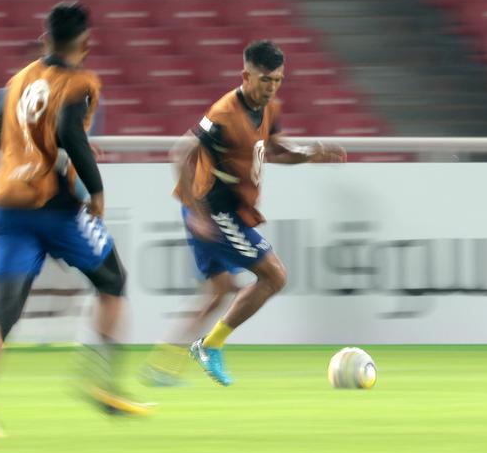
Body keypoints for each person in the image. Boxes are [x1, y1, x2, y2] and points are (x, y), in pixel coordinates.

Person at [0, 1, 152, 439]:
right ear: (86, 43)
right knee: (113, 279)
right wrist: (96, 188)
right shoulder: (81, 81)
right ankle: (101, 383)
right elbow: (68, 131)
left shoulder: (15, 82)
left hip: (7, 205)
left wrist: (33, 149)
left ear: (44, 38)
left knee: (5, 307)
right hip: (57, 208)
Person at [142, 40, 345, 387]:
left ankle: (164, 364)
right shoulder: (223, 114)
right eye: (266, 80)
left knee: (220, 289)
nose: (272, 87)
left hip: (225, 211)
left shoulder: (269, 108)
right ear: (246, 75)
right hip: (215, 210)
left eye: (278, 80)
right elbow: (181, 154)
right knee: (274, 277)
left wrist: (310, 153)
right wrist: (197, 213)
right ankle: (210, 346)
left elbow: (275, 150)